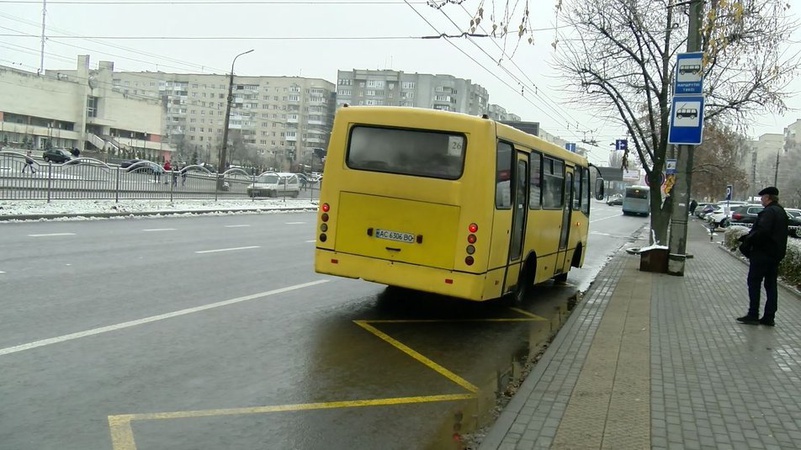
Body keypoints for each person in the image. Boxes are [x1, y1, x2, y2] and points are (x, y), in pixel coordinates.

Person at [736, 186, 788, 326]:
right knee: (771, 285)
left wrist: (748, 240)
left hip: (762, 254)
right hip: (775, 255)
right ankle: (769, 317)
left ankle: (753, 314)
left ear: (767, 198)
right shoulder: (781, 211)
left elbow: (762, 232)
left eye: (762, 198)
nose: (761, 200)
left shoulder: (768, 212)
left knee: (754, 282)